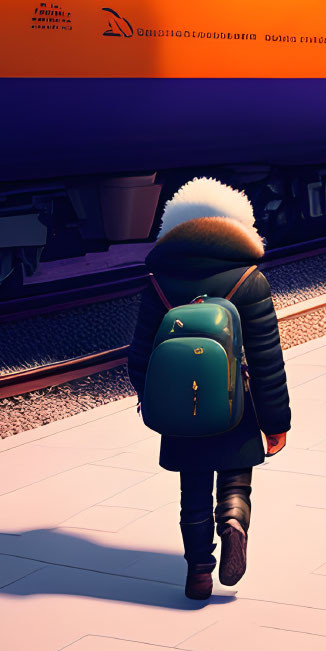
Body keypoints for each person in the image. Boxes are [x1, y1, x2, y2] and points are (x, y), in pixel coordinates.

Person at [127, 178, 291, 601]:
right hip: (238, 406)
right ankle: (234, 518)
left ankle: (198, 572)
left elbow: (139, 356)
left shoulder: (158, 281)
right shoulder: (249, 281)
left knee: (192, 490)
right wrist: (276, 422)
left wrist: (154, 401)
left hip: (181, 410)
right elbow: (268, 361)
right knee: (236, 479)